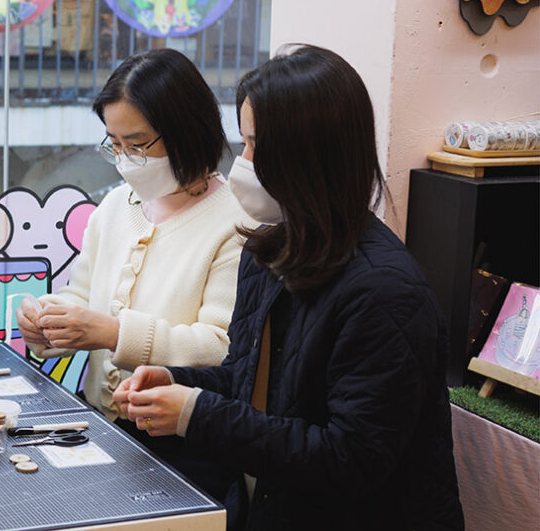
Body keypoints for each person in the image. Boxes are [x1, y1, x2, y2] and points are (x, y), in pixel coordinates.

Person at [114, 45, 464, 529]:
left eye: (256, 146)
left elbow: (349, 459)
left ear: (308, 156)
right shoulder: (268, 254)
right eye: (244, 143)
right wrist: (176, 382)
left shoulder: (385, 294)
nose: (243, 162)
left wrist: (196, 413)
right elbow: (246, 381)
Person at [17, 49, 253, 494]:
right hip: (104, 429)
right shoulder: (116, 205)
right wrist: (47, 320)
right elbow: (82, 295)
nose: (124, 158)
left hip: (185, 448)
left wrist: (112, 333)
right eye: (114, 143)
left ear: (185, 131)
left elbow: (221, 347)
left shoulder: (235, 221)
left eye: (137, 144)